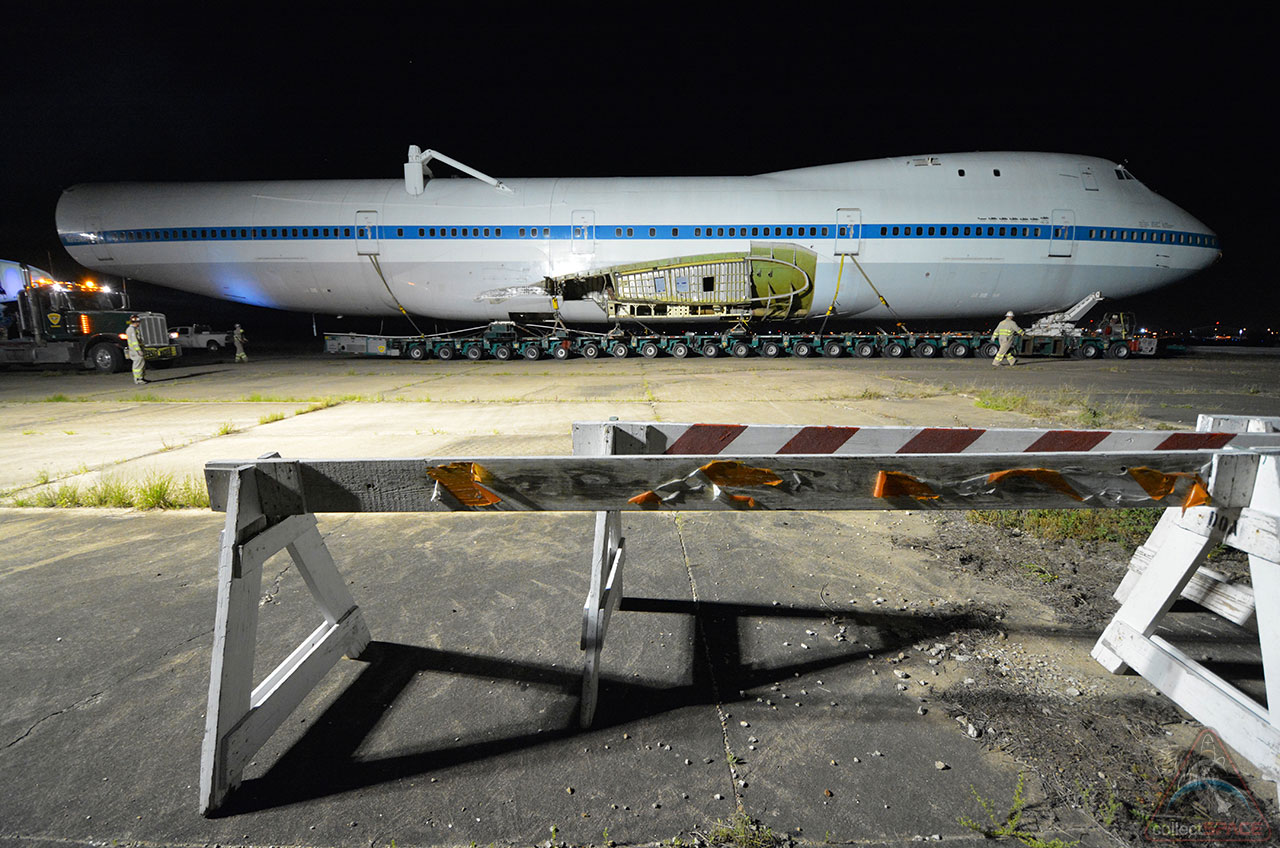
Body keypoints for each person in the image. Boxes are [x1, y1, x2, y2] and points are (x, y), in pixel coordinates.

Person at [125, 314, 147, 384]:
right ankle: (138, 379)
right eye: (138, 322)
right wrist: (138, 350)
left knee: (141, 364)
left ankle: (141, 378)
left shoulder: (135, 329)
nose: (139, 323)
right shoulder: (131, 329)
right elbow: (134, 341)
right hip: (135, 351)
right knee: (138, 364)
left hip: (137, 349)